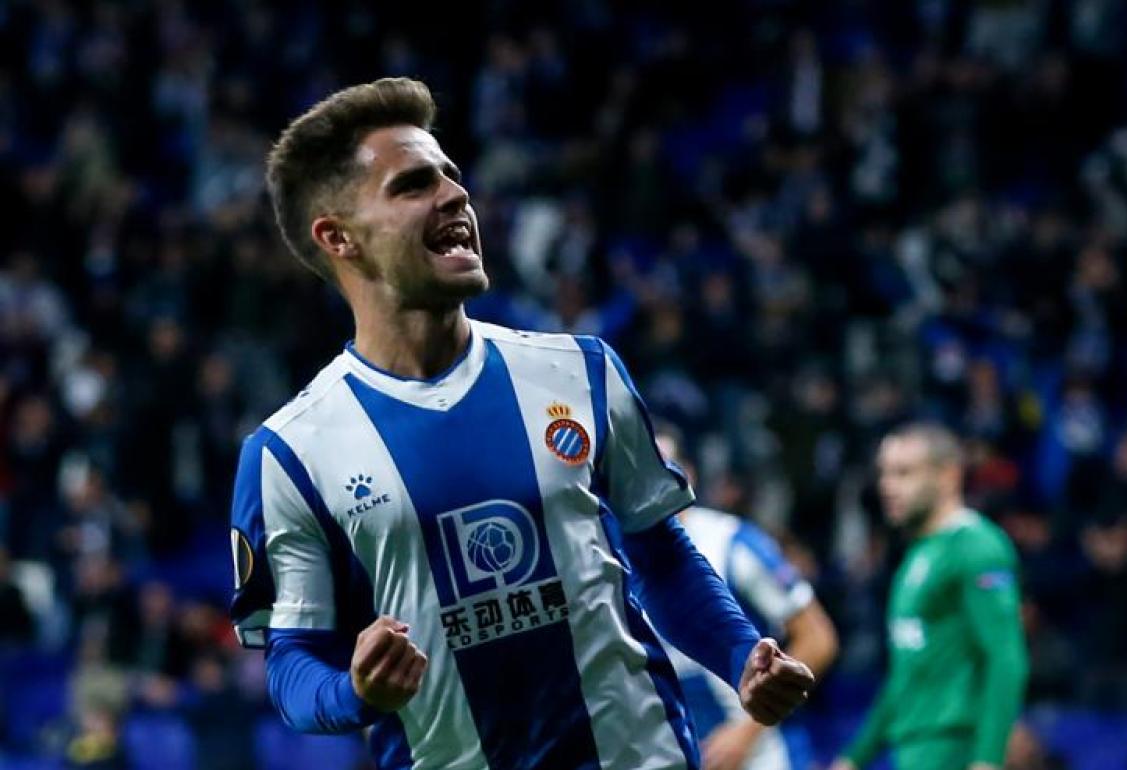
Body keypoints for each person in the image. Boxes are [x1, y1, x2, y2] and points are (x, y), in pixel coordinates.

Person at [227, 77, 814, 770]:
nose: (455, 195)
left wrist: (742, 654)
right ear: (338, 237)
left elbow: (659, 555)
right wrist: (355, 692)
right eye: (414, 185)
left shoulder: (582, 370)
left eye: (451, 175)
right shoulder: (289, 452)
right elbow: (293, 666)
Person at [832, 423, 1028, 770]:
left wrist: (988, 759)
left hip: (955, 748)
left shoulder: (976, 546)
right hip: (914, 750)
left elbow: (1005, 656)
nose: (887, 486)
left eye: (904, 473)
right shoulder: (917, 554)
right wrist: (853, 758)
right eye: (885, 473)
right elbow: (904, 678)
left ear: (948, 475)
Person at [654, 426, 838, 770]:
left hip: (768, 757)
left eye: (660, 464)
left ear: (687, 473)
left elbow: (819, 637)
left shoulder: (732, 541)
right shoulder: (612, 555)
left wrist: (745, 732)